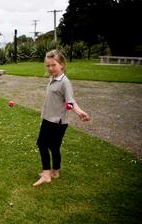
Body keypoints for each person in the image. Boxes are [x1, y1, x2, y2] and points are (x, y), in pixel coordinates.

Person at [33, 50, 90, 186]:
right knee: (54, 146)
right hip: (51, 119)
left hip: (55, 121)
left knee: (42, 144)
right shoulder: (53, 78)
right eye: (48, 66)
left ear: (62, 65)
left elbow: (70, 101)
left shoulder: (65, 82)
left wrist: (79, 111)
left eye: (54, 65)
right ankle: (55, 171)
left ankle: (46, 174)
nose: (50, 68)